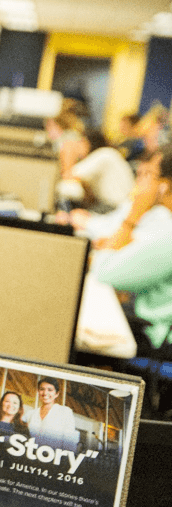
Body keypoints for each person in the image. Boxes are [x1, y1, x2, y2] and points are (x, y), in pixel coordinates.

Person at [94, 145, 172, 354]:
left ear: (163, 185)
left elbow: (103, 274)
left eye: (150, 176)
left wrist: (135, 212)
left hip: (155, 339)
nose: (143, 181)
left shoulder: (168, 234)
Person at [56, 129, 135, 212]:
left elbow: (69, 175)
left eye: (81, 142)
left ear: (89, 142)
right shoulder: (105, 154)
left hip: (117, 207)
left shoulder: (104, 154)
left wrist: (69, 153)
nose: (77, 146)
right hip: (114, 206)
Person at [26, 378, 78, 451]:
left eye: (50, 390)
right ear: (38, 392)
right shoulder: (30, 414)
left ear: (56, 394)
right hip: (31, 455)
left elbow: (70, 443)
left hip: (54, 457)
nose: (45, 393)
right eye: (42, 389)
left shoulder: (65, 412)